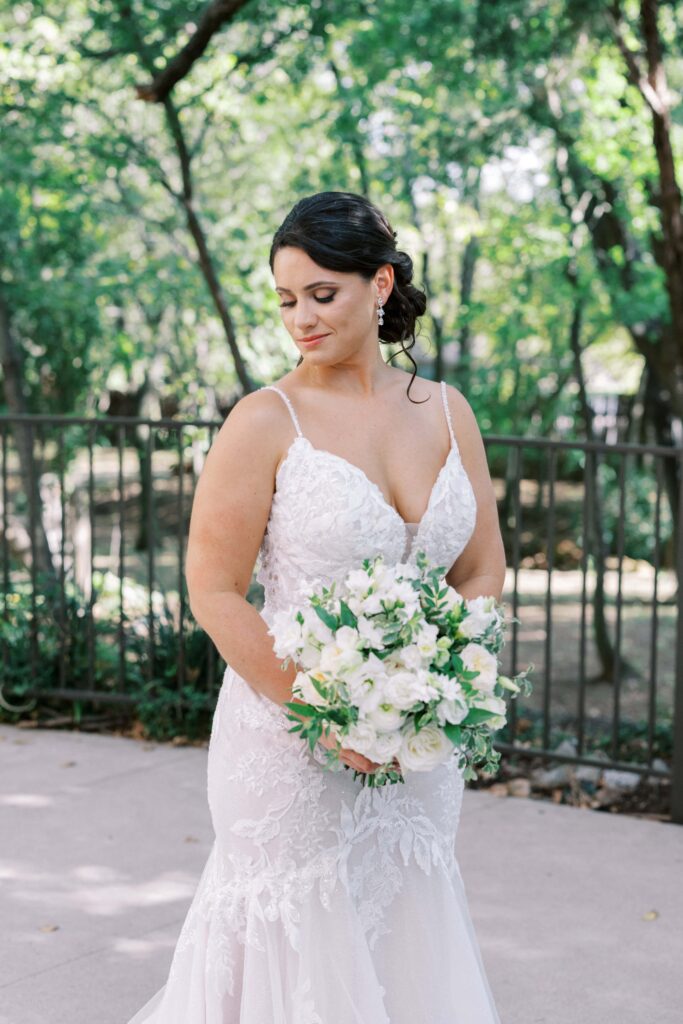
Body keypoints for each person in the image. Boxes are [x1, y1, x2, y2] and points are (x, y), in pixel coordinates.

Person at [126, 191, 506, 1023]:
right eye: (286, 299)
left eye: (320, 295)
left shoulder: (447, 411)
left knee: (402, 927)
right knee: (292, 949)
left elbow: (480, 570)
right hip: (286, 744)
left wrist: (434, 682)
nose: (300, 317)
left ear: (379, 284)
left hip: (417, 750)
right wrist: (327, 713)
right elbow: (213, 588)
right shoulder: (266, 420)